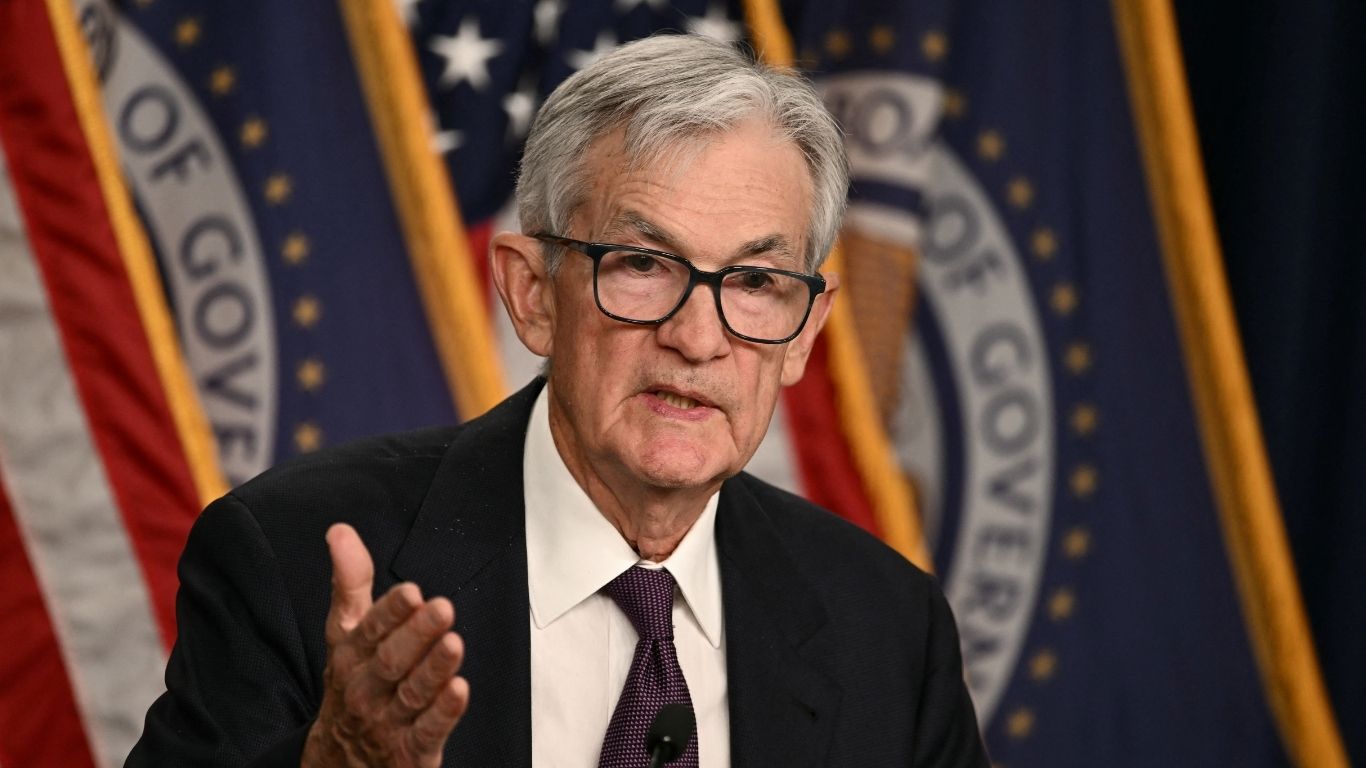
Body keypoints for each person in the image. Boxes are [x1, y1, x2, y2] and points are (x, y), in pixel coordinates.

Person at [127, 33, 987, 767]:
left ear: (804, 331)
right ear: (533, 292)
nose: (698, 337)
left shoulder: (887, 632)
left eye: (756, 281)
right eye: (642, 265)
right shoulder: (286, 563)